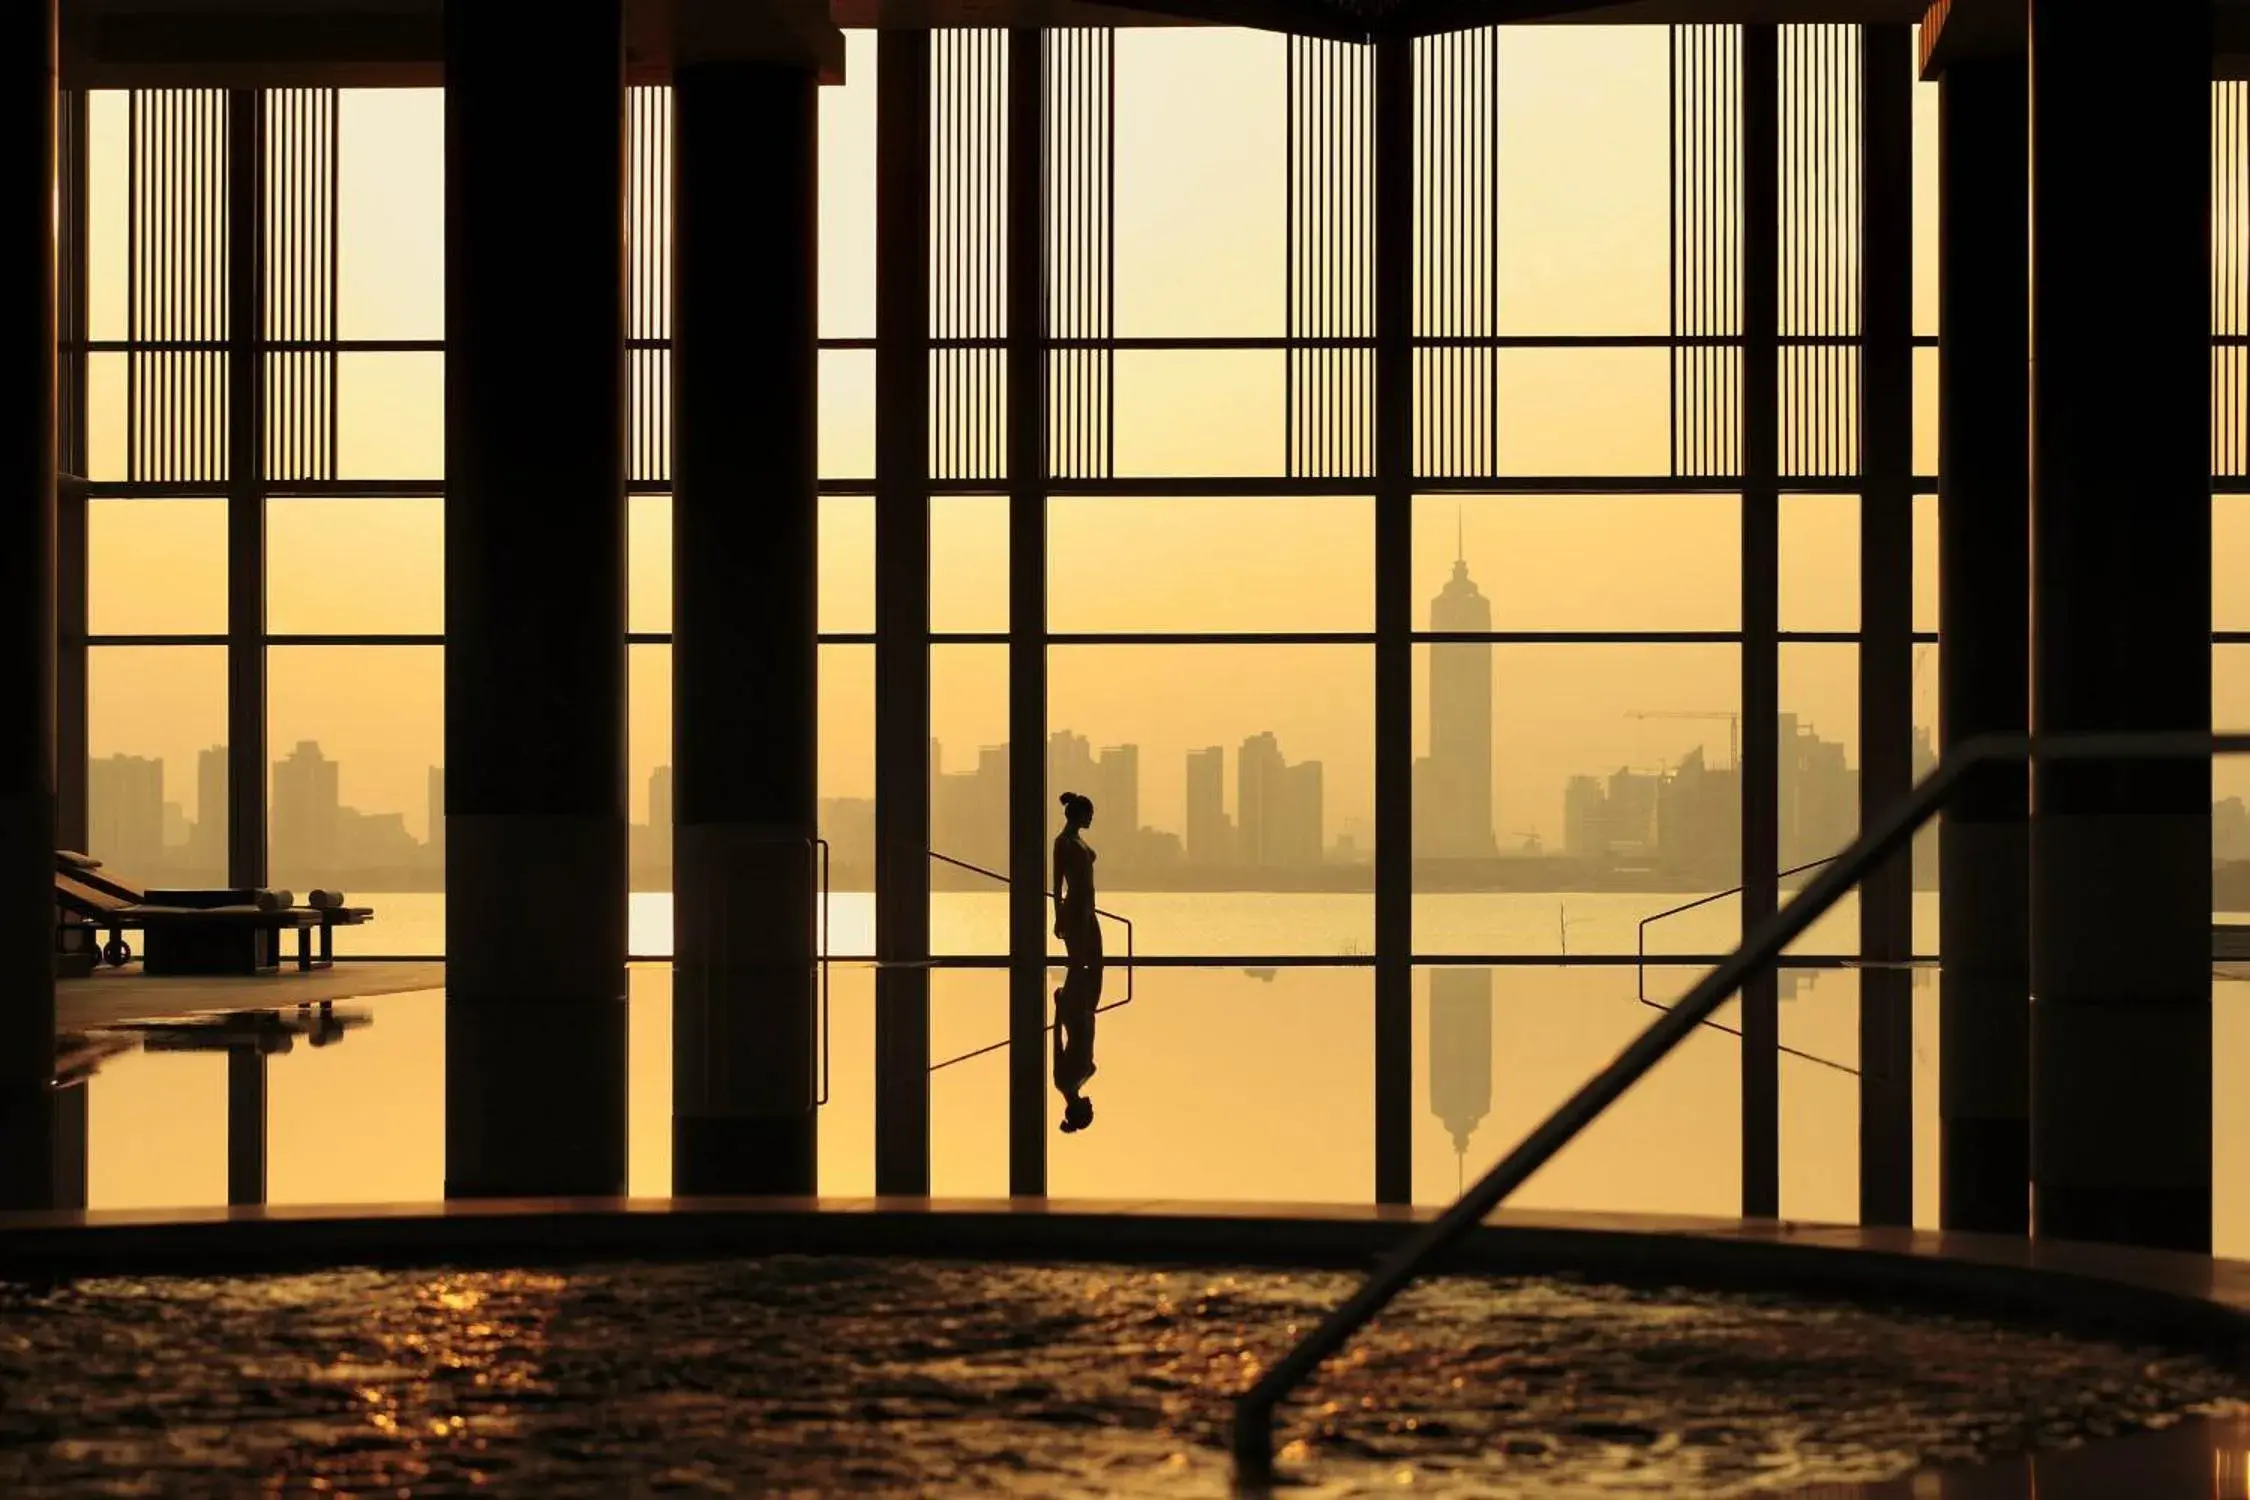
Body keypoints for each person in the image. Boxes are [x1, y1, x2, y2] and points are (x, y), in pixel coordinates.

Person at [1052, 793, 1103, 1132]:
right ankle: (1075, 991)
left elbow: (1055, 1041)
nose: (1092, 818)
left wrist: (1057, 1008)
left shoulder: (1065, 1082)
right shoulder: (1063, 843)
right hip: (1075, 910)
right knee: (1082, 963)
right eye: (1090, 813)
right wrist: (1057, 915)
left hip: (1086, 910)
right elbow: (1056, 883)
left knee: (1093, 962)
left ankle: (1072, 993)